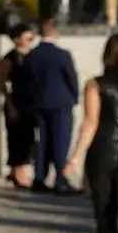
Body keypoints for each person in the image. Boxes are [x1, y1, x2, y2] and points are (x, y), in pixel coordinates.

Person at [65, 33, 118, 233]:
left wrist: (75, 157)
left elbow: (90, 123)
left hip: (102, 151)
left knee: (104, 207)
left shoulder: (96, 84)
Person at [24, 19, 80, 194]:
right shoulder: (63, 55)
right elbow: (71, 78)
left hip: (39, 104)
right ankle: (61, 180)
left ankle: (39, 178)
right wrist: (74, 97)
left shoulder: (31, 55)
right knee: (61, 142)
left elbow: (27, 81)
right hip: (61, 103)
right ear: (55, 33)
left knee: (42, 141)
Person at [0, 22, 36, 188]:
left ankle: (16, 172)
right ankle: (18, 173)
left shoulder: (33, 56)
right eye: (26, 35)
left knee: (28, 138)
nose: (30, 38)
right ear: (17, 38)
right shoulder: (10, 58)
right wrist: (10, 104)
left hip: (31, 102)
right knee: (16, 138)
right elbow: (2, 83)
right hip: (16, 102)